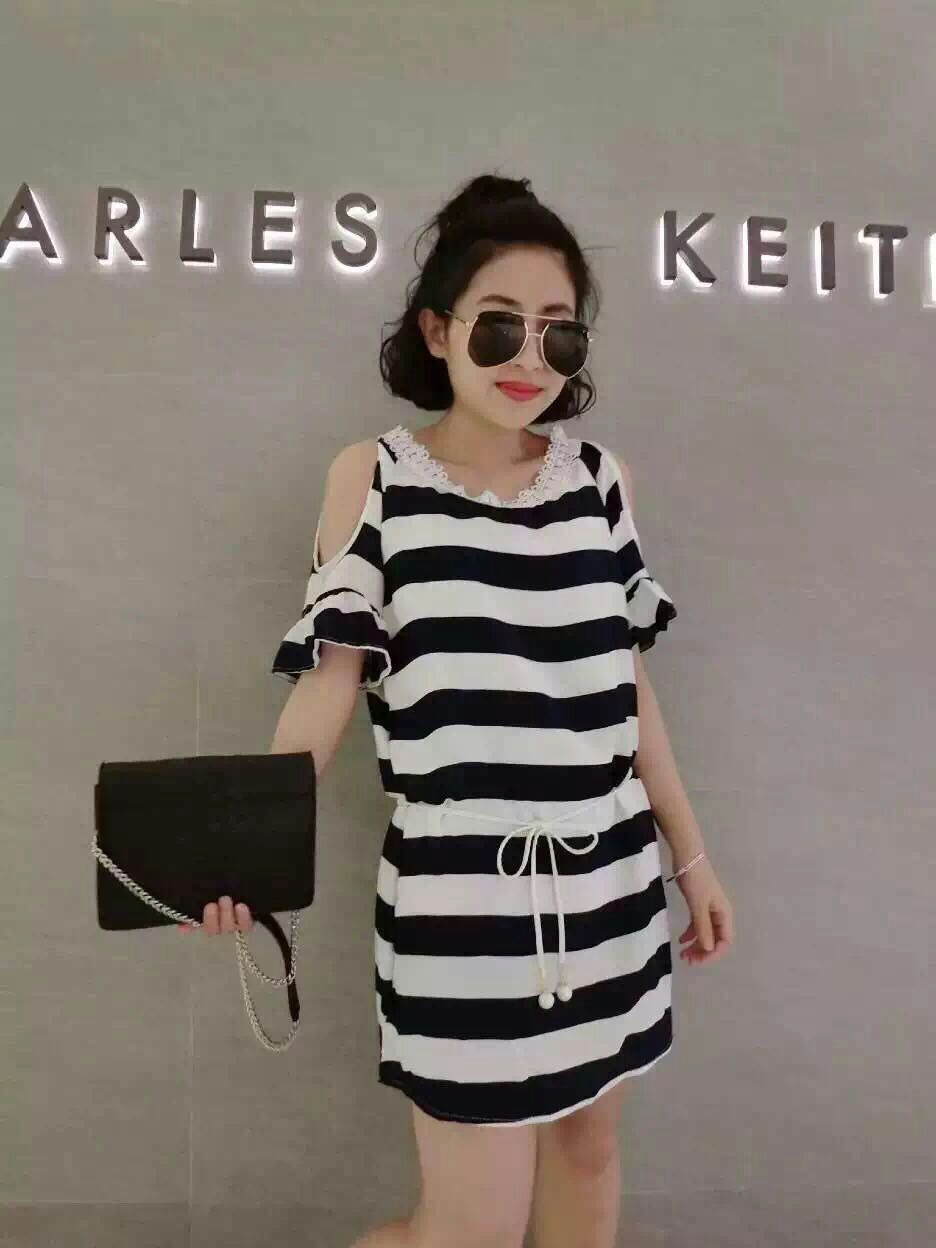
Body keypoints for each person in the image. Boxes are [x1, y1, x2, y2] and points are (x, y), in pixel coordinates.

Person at [182, 172, 734, 1248]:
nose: (530, 357)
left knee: (588, 1151)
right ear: (438, 331)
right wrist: (246, 847)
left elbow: (627, 686)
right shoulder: (375, 477)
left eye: (559, 332)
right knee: (469, 1227)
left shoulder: (601, 481)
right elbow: (330, 682)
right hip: (458, 900)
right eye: (498, 325)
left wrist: (692, 858)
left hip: (611, 886)